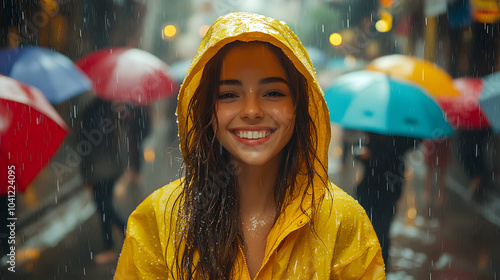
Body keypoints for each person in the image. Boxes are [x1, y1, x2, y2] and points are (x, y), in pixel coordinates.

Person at [114, 12, 385, 279]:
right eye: (229, 94)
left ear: (299, 106)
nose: (252, 111)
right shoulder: (157, 221)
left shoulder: (343, 222)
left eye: (273, 93)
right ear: (208, 110)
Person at [80, 97, 150, 264]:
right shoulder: (113, 108)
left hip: (100, 170)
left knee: (104, 208)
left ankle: (114, 245)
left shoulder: (92, 111)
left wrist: (86, 177)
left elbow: (85, 146)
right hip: (111, 168)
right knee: (105, 206)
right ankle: (130, 236)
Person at [355, 132, 418, 271]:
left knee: (382, 231)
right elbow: (359, 149)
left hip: (387, 191)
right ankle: (369, 263)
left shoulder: (401, 138)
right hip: (369, 190)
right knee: (366, 228)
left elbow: (390, 160)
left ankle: (380, 265)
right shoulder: (373, 132)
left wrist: (371, 156)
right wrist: (360, 154)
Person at [421, 137, 451, 208]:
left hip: (440, 142)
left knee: (438, 170)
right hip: (435, 141)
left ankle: (438, 194)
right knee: (431, 169)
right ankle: (429, 192)